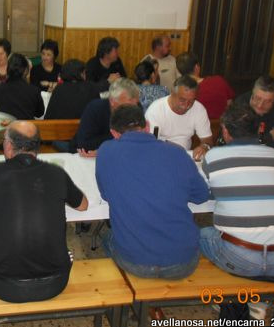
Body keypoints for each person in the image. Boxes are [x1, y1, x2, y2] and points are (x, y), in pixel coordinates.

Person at [0, 121, 88, 302]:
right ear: (37, 147)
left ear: (9, 146)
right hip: (56, 283)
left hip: (3, 286)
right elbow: (83, 205)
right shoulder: (56, 173)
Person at [97, 104, 209, 279]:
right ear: (148, 126)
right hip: (183, 263)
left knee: (107, 236)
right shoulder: (177, 153)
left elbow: (105, 195)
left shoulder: (105, 151)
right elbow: (201, 196)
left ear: (114, 133)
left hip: (135, 263)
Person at [199, 103, 274, 280]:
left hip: (242, 258)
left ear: (225, 131)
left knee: (202, 233)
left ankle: (245, 282)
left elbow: (207, 192)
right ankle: (263, 284)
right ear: (259, 129)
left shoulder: (213, 156)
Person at [145, 75, 213, 160]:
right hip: (160, 156)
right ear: (172, 93)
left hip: (186, 156)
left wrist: (204, 146)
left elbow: (207, 140)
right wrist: (175, 148)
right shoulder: (155, 110)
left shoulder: (199, 109)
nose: (186, 105)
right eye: (182, 100)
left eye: (191, 101)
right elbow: (149, 144)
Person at [70, 77, 139, 155]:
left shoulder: (136, 110)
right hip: (83, 156)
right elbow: (84, 144)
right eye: (127, 105)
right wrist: (118, 137)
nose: (131, 110)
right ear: (112, 101)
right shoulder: (95, 109)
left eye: (135, 104)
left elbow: (137, 140)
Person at [235, 76, 274, 149]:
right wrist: (270, 136)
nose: (260, 105)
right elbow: (239, 141)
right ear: (253, 92)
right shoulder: (240, 105)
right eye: (257, 98)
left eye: (267, 102)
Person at [175, 52, 234, 119]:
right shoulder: (219, 80)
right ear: (196, 67)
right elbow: (230, 104)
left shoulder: (180, 91)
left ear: (179, 71)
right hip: (221, 124)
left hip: (196, 124)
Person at [0, 53, 44, 120]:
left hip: (4, 126)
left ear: (7, 69)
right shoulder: (34, 90)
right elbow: (39, 113)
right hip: (26, 126)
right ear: (25, 71)